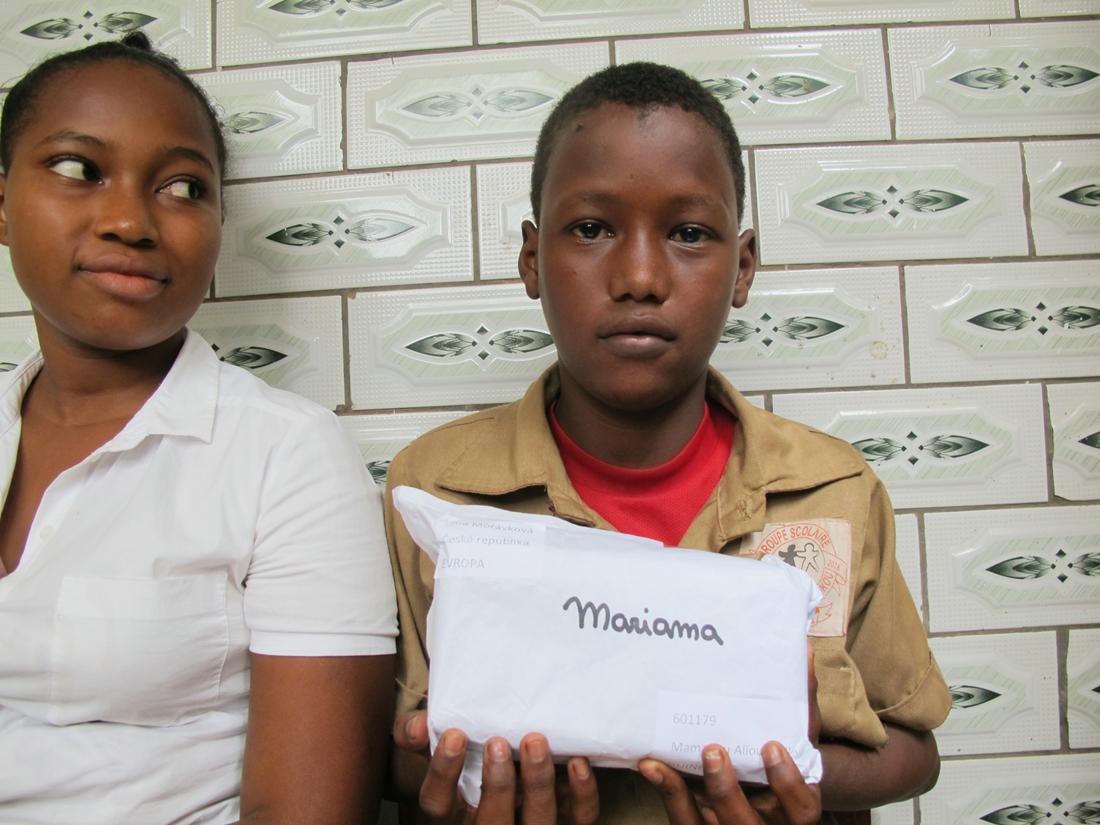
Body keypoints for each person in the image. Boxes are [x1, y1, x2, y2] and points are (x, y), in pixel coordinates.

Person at [383, 62, 952, 825]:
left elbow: (914, 748)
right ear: (532, 259)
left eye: (688, 233)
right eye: (592, 228)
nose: (641, 276)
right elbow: (389, 749)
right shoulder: (436, 489)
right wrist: (451, 777)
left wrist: (794, 778)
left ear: (742, 267)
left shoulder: (833, 489)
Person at [0, 33, 397, 825]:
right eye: (79, 169)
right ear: (3, 204)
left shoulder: (284, 453)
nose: (130, 220)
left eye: (183, 187)